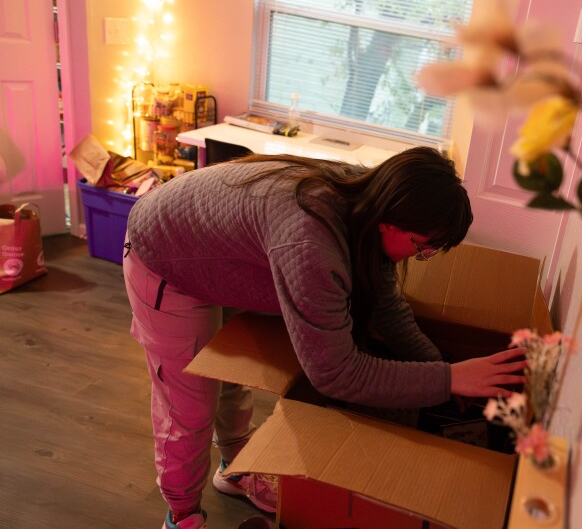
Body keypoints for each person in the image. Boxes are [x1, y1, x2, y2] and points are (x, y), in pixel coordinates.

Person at [122, 146, 527, 529]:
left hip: (217, 252)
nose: (422, 257)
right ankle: (181, 514)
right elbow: (336, 375)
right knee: (188, 407)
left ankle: (234, 469)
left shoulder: (370, 203)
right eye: (424, 248)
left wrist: (443, 367)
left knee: (230, 380)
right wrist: (449, 380)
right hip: (163, 255)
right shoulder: (311, 242)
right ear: (391, 223)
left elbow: (387, 308)